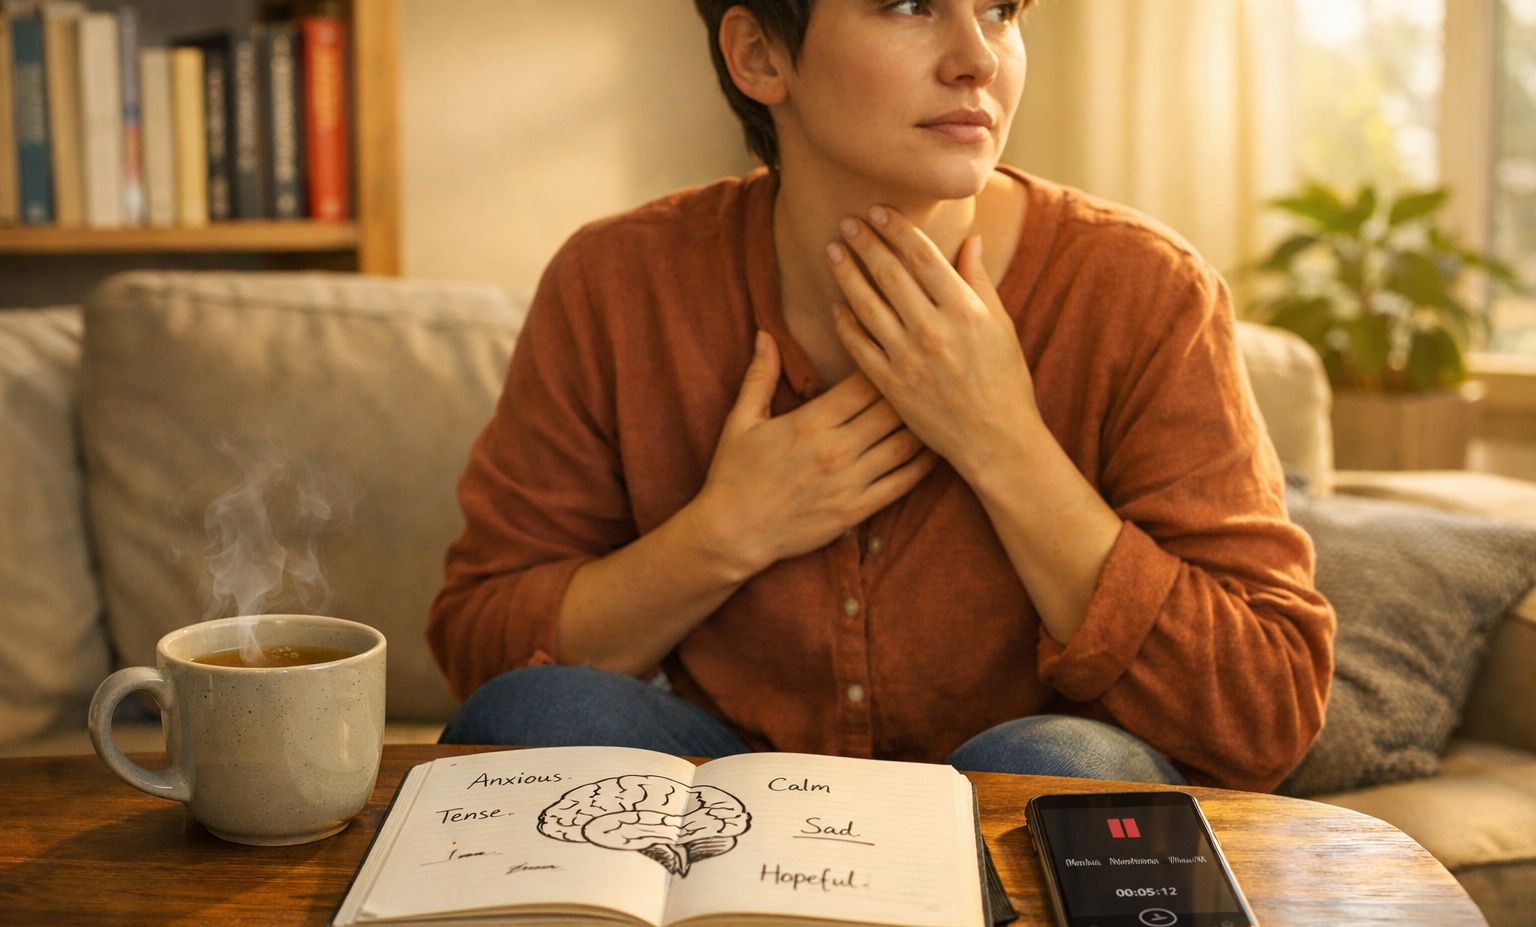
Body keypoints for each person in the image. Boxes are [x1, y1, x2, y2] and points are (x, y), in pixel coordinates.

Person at [428, 0, 1335, 792]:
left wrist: (1004, 444)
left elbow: (1268, 710)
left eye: (1002, 9)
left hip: (1011, 811)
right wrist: (724, 534)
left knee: (1067, 767)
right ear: (759, 57)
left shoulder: (1146, 294)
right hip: (726, 802)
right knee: (536, 717)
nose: (977, 58)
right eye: (906, 4)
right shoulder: (616, 284)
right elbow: (481, 651)